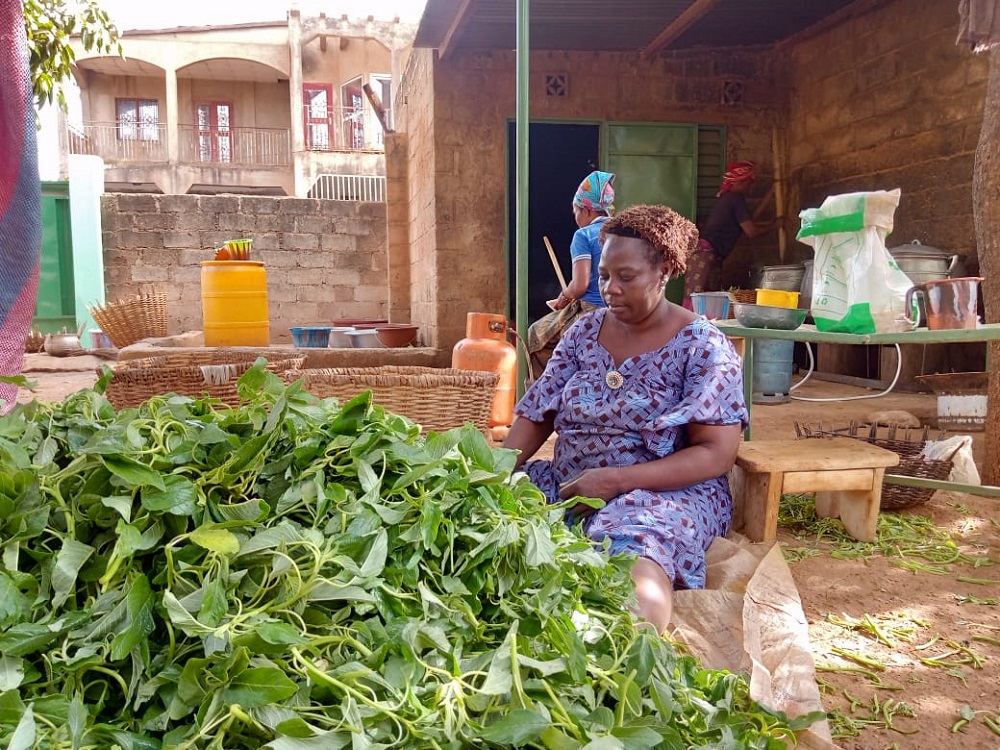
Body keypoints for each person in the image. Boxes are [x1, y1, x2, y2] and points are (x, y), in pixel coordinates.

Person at [504, 204, 748, 634]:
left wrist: (617, 481)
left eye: (626, 277)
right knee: (498, 517)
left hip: (662, 494)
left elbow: (717, 453)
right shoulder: (583, 332)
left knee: (636, 554)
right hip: (570, 483)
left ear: (664, 271)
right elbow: (539, 411)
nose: (610, 289)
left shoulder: (703, 346)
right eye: (603, 276)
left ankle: (626, 643)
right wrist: (496, 469)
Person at [527, 170, 615, 380]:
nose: (575, 217)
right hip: (624, 311)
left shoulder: (583, 235)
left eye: (575, 211)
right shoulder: (624, 231)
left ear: (586, 210)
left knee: (535, 335)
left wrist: (563, 299)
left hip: (594, 312)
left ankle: (545, 393)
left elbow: (580, 284)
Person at [685, 161, 774, 302]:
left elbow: (750, 221)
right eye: (748, 183)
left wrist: (770, 196)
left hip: (708, 254)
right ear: (739, 182)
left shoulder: (730, 198)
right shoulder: (735, 199)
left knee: (704, 298)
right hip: (705, 254)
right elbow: (751, 231)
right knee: (697, 298)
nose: (749, 187)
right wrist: (773, 227)